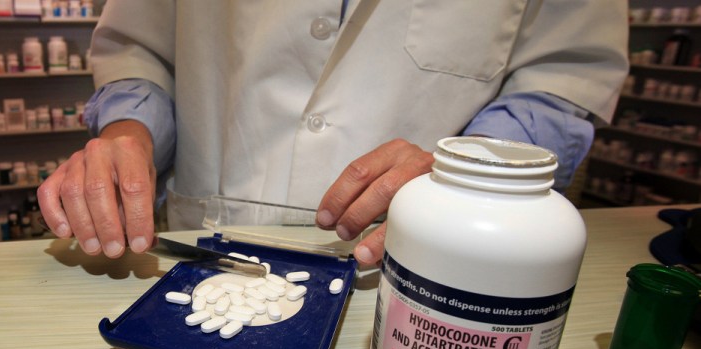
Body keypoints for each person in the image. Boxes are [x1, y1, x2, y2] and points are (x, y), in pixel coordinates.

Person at [38, 0, 628, 265]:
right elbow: (139, 47)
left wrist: (462, 174)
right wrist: (128, 132)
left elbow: (565, 73)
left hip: (411, 271)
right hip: (197, 248)